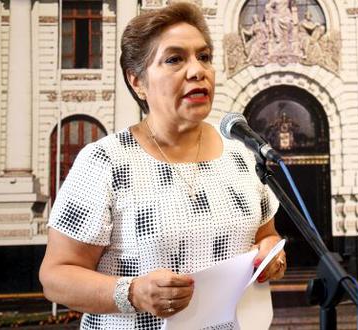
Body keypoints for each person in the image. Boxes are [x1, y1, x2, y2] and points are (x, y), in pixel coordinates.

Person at [39, 3, 286, 329]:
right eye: (174, 59)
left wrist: (271, 256)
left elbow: (266, 236)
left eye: (205, 56)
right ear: (137, 82)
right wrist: (134, 293)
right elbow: (55, 277)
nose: (198, 70)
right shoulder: (105, 162)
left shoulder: (241, 154)